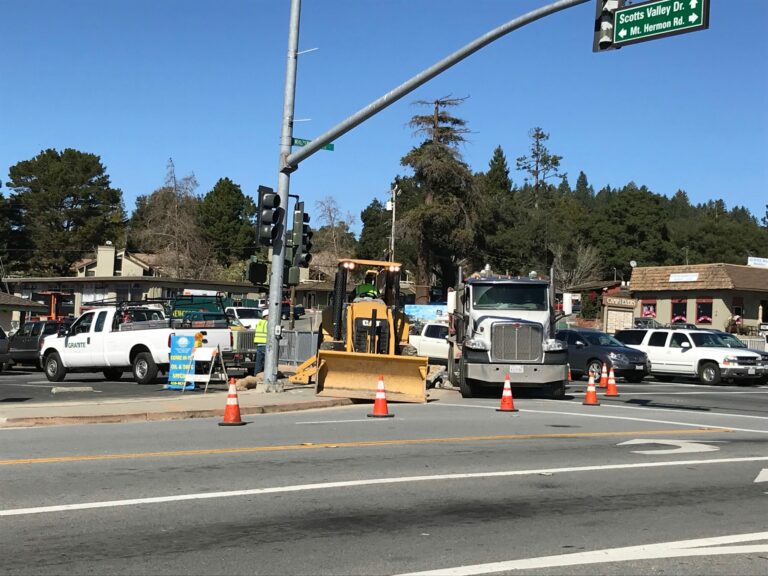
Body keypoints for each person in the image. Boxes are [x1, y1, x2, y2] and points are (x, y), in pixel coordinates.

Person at [253, 309, 269, 374]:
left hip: (259, 345)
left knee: (259, 362)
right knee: (268, 362)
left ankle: (256, 375)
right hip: (266, 344)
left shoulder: (259, 323)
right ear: (266, 316)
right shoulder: (268, 323)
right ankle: (267, 375)